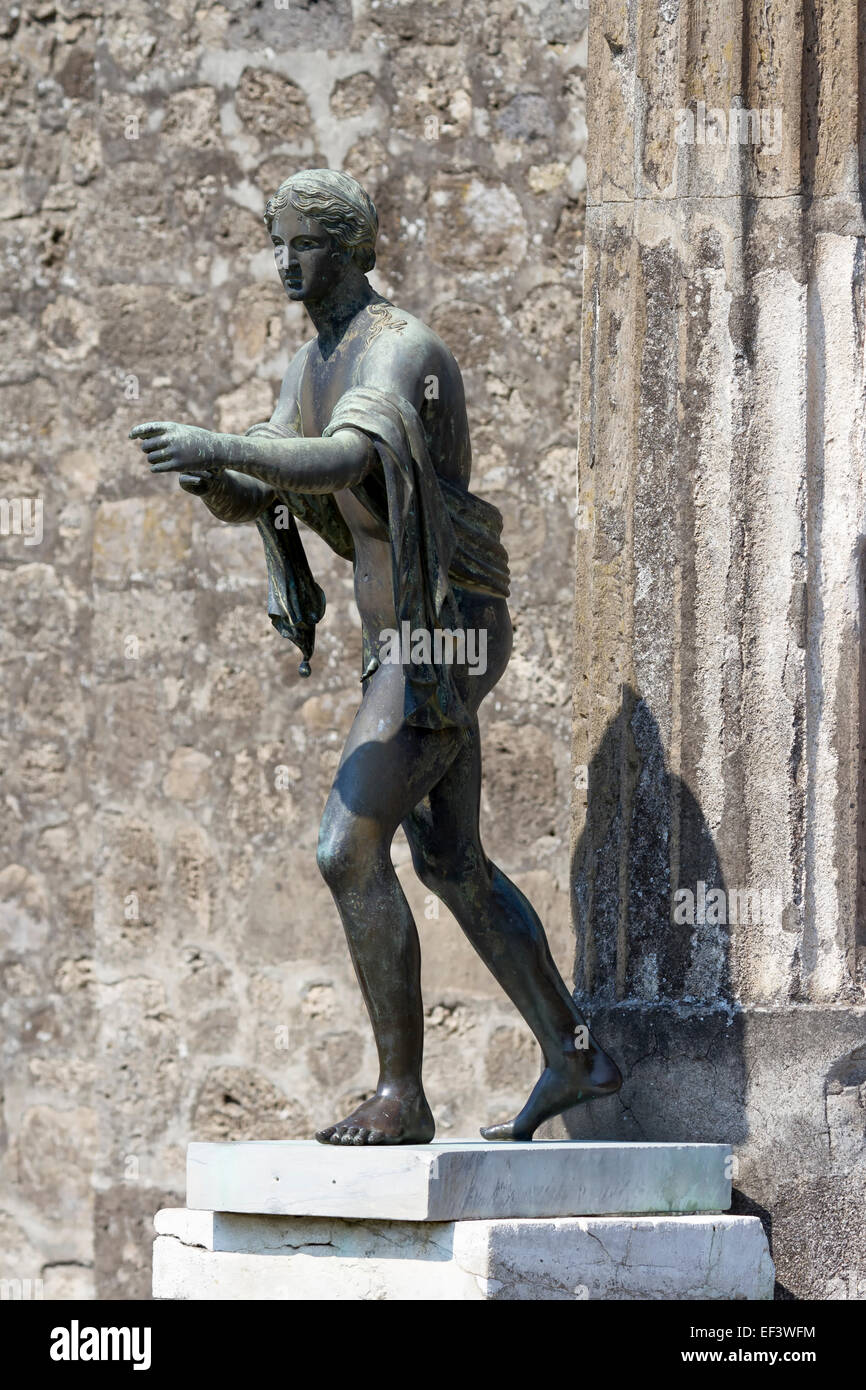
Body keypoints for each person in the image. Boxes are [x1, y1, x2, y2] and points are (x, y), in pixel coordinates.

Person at [130, 168, 622, 1145]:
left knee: (344, 846)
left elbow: (339, 462)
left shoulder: (400, 352)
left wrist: (220, 441)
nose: (284, 260)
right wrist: (211, 474)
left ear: (349, 246)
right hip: (398, 640)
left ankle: (402, 1093)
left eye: (302, 242)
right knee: (451, 863)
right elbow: (267, 484)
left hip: (440, 635)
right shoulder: (310, 363)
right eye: (275, 240)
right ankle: (573, 1051)